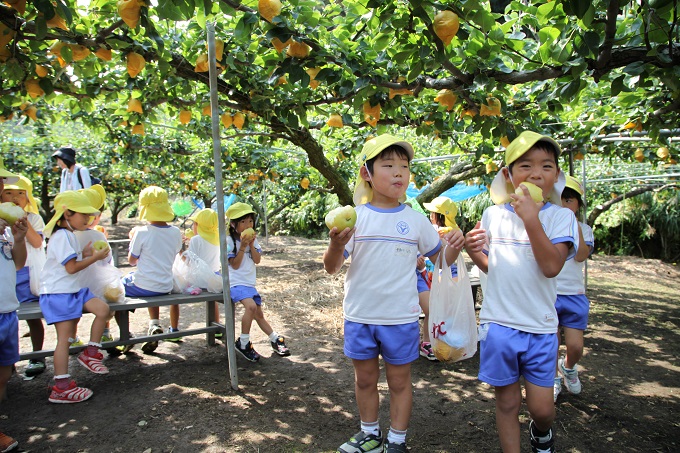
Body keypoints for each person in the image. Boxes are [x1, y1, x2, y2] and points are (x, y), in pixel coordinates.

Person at [323, 134, 464, 453]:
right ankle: (370, 435)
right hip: (360, 316)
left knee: (400, 383)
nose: (399, 172)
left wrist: (453, 250)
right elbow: (331, 267)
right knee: (364, 380)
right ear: (366, 173)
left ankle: (397, 441)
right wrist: (335, 244)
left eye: (404, 166)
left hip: (399, 318)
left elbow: (440, 259)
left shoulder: (415, 221)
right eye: (388, 165)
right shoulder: (356, 219)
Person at [464, 131, 579, 453]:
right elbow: (493, 267)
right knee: (507, 402)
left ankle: (541, 432)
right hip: (499, 323)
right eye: (525, 165)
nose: (536, 173)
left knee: (543, 410)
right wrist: (474, 253)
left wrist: (532, 220)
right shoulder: (493, 215)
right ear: (509, 175)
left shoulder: (561, 217)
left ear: (556, 174)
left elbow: (551, 267)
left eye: (546, 166)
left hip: (540, 326)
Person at [40, 190, 113, 403]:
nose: (88, 219)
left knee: (103, 309)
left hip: (72, 290)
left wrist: (88, 253)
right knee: (65, 339)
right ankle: (61, 386)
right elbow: (71, 268)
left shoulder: (69, 235)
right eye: (83, 214)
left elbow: (71, 262)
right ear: (67, 214)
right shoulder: (61, 236)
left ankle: (91, 352)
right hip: (58, 292)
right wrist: (94, 257)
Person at [226, 202, 290, 362]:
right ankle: (243, 342)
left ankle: (275, 338)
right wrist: (242, 247)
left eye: (250, 221)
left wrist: (251, 245)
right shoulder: (228, 241)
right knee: (251, 307)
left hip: (249, 283)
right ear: (233, 224)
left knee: (258, 314)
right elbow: (234, 264)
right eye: (243, 222)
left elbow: (257, 260)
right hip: (235, 283)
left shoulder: (253, 240)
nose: (248, 225)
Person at [122, 186, 182, 353]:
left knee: (117, 288)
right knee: (150, 282)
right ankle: (154, 324)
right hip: (165, 285)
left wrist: (132, 240)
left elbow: (132, 261)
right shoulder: (176, 232)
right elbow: (175, 251)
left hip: (144, 285)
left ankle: (125, 334)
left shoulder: (141, 232)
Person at [1, 174, 47, 377]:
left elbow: (37, 243)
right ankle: (9, 361)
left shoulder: (34, 218)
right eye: (9, 193)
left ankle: (37, 355)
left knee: (32, 318)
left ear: (29, 198)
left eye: (21, 193)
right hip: (8, 277)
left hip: (29, 275)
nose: (14, 197)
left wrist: (23, 223)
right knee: (11, 319)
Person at [554, 175, 594, 401]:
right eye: (560, 199)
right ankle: (552, 379)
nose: (564, 204)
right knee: (550, 343)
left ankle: (568, 366)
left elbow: (581, 254)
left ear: (578, 204)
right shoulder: (546, 227)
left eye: (569, 200)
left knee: (575, 346)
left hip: (574, 296)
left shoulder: (584, 230)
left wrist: (570, 223)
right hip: (548, 293)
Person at [0, 162, 27, 452]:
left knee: (4, 373)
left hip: (7, 309)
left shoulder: (5, 225)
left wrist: (18, 239)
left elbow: (18, 263)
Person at [417, 196, 461, 361]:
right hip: (445, 274)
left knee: (434, 310)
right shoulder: (455, 230)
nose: (430, 215)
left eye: (432, 213)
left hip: (433, 273)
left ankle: (430, 341)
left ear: (439, 215)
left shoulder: (437, 230)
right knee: (438, 310)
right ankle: (435, 341)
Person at [74, 185, 118, 345]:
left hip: (75, 288)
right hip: (97, 287)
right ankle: (106, 333)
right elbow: (107, 260)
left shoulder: (69, 235)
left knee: (74, 315)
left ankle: (72, 338)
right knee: (108, 301)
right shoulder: (98, 235)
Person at [186, 208, 223, 337]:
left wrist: (182, 251)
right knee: (214, 302)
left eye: (195, 224)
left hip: (199, 281)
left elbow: (189, 261)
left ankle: (174, 329)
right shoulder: (219, 238)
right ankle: (217, 326)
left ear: (199, 225)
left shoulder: (196, 240)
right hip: (215, 281)